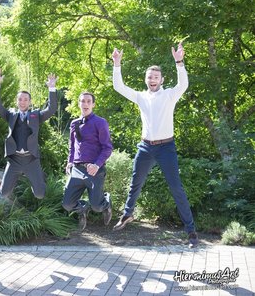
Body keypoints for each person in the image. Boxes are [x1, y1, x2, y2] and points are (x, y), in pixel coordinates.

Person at [111, 43, 199, 248]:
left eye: (156, 77)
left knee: (176, 188)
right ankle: (127, 214)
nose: (152, 80)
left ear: (162, 80)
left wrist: (179, 62)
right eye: (150, 77)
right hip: (145, 147)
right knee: (135, 182)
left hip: (166, 148)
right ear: (146, 80)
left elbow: (183, 85)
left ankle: (191, 232)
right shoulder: (141, 97)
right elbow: (119, 87)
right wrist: (117, 65)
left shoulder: (169, 94)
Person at [0, 67, 57, 199]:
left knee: (40, 194)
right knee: (4, 193)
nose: (22, 102)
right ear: (17, 101)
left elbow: (51, 109)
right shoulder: (11, 115)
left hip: (31, 160)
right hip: (14, 160)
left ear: (30, 102)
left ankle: (39, 180)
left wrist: (51, 88)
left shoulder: (36, 115)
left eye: (25, 99)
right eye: (20, 99)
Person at [63, 92, 113, 230]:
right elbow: (72, 146)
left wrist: (97, 165)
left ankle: (106, 202)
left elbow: (108, 148)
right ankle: (82, 209)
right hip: (77, 169)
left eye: (88, 101)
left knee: (97, 207)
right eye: (82, 101)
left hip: (95, 169)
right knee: (67, 204)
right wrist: (70, 162)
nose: (85, 104)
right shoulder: (74, 123)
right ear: (79, 103)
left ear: (93, 104)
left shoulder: (100, 122)